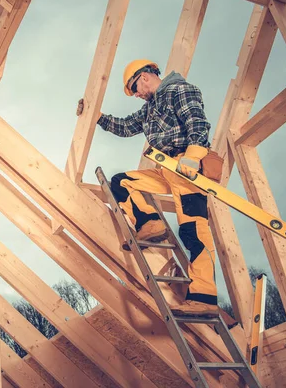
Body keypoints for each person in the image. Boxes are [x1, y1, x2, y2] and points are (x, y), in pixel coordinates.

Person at [78, 59, 218, 316]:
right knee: (121, 182)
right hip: (166, 170)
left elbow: (197, 122)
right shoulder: (149, 109)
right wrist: (96, 117)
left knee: (193, 232)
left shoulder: (179, 90)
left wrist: (194, 154)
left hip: (186, 167)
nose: (136, 95)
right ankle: (150, 222)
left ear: (144, 76)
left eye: (135, 89)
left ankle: (205, 297)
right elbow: (125, 127)